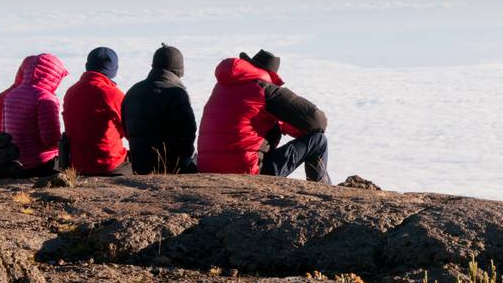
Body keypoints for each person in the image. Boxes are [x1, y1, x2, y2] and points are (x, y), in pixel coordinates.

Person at [198, 49, 331, 184]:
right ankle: (325, 191)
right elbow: (318, 122)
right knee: (318, 141)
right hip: (246, 171)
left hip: (207, 169)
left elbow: (247, 120)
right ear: (271, 76)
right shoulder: (263, 89)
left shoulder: (222, 87)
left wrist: (282, 123)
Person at [0, 54, 68, 178]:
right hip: (41, 165)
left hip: (16, 163)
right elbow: (50, 140)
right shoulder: (45, 99)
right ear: (53, 76)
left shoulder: (10, 96)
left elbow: (5, 134)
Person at [122, 43, 197, 174]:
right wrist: (185, 161)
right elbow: (188, 133)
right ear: (179, 69)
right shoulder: (177, 93)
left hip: (139, 166)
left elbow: (127, 130)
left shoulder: (133, 91)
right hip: (172, 167)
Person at [62, 47, 130, 176]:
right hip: (108, 164)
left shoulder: (71, 92)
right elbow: (129, 130)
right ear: (114, 70)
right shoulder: (112, 94)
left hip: (77, 166)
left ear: (87, 65)